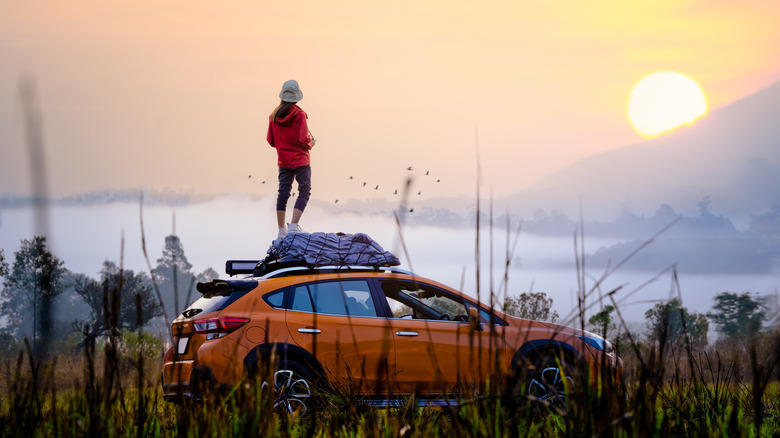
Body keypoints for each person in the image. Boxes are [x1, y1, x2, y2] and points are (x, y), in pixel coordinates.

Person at [267, 80, 316, 240]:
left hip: (284, 161)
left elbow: (271, 140)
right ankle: (294, 226)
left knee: (283, 192)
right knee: (304, 190)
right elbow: (303, 139)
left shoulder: (273, 116)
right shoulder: (299, 114)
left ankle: (281, 229)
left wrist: (284, 145)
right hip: (301, 160)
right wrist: (311, 143)